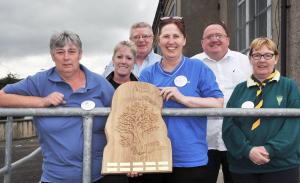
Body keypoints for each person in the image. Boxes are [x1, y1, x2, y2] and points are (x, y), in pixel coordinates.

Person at [0, 31, 128, 183]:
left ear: (80, 54)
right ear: (52, 55)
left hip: (101, 175)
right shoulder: (40, 81)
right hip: (56, 177)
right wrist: (41, 102)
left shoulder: (100, 84)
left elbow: (122, 121)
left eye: (72, 52)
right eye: (60, 52)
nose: (66, 57)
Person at [139, 16, 224, 183]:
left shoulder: (198, 68)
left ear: (184, 40)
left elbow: (218, 103)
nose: (171, 41)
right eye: (166, 36)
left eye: (176, 36)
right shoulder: (147, 73)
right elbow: (139, 115)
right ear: (158, 40)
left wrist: (183, 98)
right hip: (153, 155)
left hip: (190, 158)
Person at [222, 37, 300, 183]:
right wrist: (248, 150)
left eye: (268, 55)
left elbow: (294, 127)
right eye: (256, 55)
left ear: (276, 58)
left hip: (281, 166)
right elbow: (229, 125)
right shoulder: (240, 89)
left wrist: (270, 150)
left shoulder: (289, 87)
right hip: (243, 167)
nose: (262, 60)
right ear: (250, 59)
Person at [192, 21, 252, 183]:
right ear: (202, 42)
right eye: (209, 37)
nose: (214, 39)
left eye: (219, 35)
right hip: (204, 142)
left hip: (238, 140)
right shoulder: (192, 64)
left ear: (228, 39)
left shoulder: (246, 62)